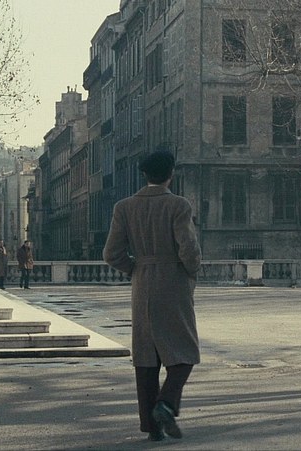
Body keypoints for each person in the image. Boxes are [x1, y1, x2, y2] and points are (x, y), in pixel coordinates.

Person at [103, 150, 202, 442]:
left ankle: (152, 428)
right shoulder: (178, 205)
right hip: (173, 281)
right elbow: (188, 248)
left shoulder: (124, 207)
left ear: (145, 175)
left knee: (146, 356)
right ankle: (166, 403)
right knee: (184, 350)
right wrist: (191, 270)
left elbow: (111, 253)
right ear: (171, 173)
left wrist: (135, 268)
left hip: (142, 282)